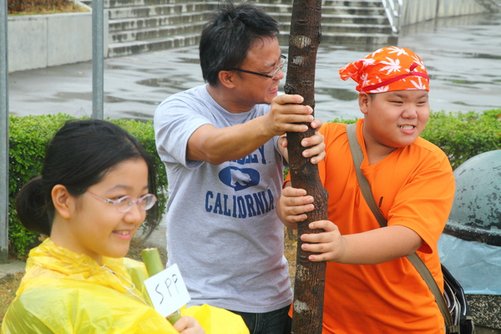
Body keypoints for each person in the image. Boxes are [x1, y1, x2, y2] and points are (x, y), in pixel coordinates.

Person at [153, 3, 325, 333]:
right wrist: (271, 125)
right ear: (228, 77)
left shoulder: (271, 111)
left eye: (280, 65)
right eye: (268, 71)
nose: (279, 77)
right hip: (199, 298)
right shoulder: (177, 110)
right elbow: (210, 146)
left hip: (272, 296)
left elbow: (290, 150)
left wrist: (306, 148)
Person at [1, 119, 248, 334]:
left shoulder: (133, 271)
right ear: (64, 200)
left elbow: (190, 315)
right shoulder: (44, 305)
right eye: (119, 200)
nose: (136, 216)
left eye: (143, 198)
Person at [277, 46, 455, 333]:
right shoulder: (328, 141)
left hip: (406, 323)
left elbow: (409, 235)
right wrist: (285, 208)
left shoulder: (430, 162)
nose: (411, 113)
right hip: (325, 320)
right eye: (397, 101)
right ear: (364, 102)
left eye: (421, 102)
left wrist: (342, 246)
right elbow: (297, 204)